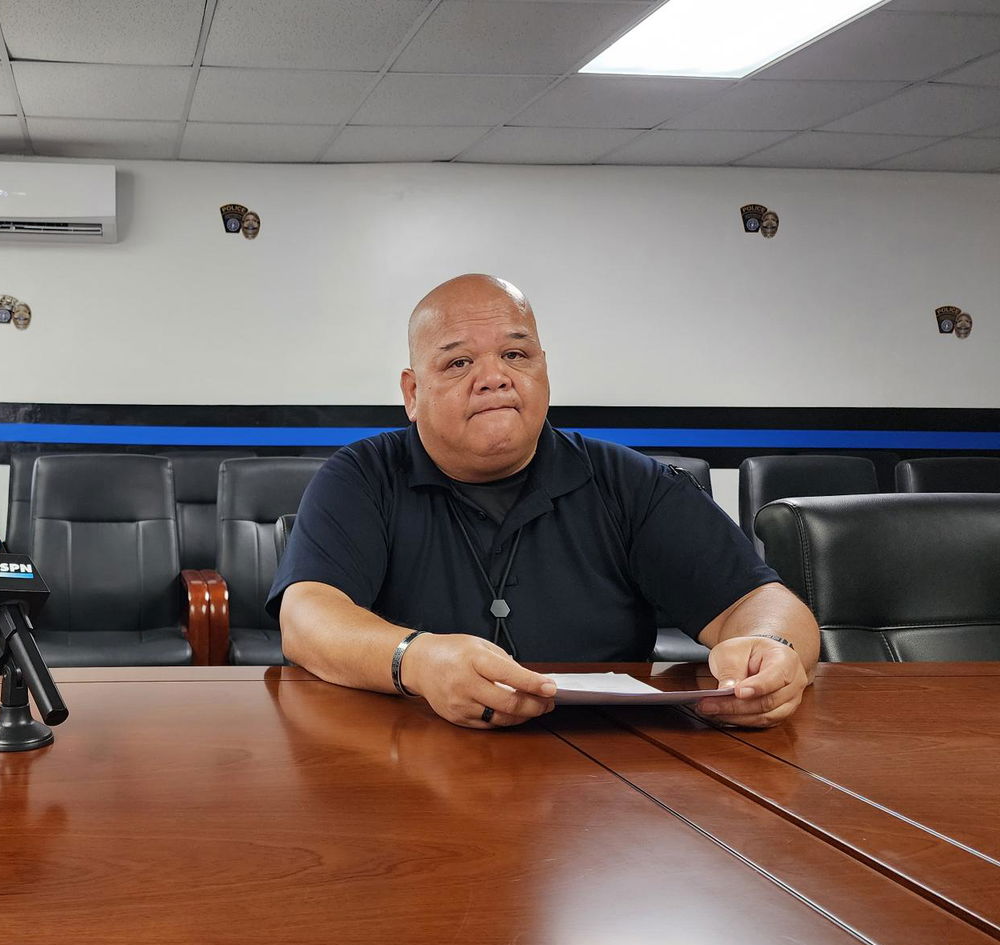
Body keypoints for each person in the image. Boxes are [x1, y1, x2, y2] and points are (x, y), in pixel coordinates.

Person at [271, 273, 819, 730]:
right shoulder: (361, 475)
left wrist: (769, 648)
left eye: (515, 354)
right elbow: (308, 616)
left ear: (544, 370)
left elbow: (760, 601)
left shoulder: (629, 481)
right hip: (411, 747)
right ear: (413, 394)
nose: (494, 378)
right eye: (458, 363)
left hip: (611, 771)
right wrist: (415, 660)